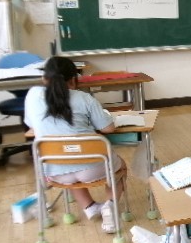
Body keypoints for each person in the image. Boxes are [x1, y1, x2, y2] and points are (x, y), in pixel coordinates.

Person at [24, 56, 126, 233]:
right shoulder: (84, 98)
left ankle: (89, 207)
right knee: (120, 167)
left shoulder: (32, 95)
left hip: (54, 171)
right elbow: (108, 128)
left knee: (68, 161)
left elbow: (31, 125)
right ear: (73, 79)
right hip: (92, 167)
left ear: (44, 78)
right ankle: (109, 207)